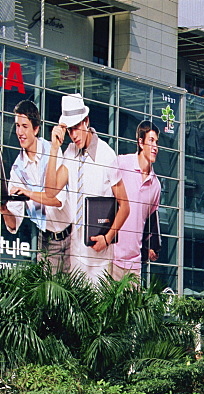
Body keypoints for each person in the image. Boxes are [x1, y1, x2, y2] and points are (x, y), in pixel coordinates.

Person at [44, 92, 130, 282]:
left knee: (98, 310)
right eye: (69, 130)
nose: (73, 135)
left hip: (100, 255)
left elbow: (125, 206)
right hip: (76, 253)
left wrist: (107, 239)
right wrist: (53, 149)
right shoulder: (69, 152)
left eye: (76, 128)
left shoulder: (107, 156)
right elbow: (51, 192)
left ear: (86, 121)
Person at [0, 98, 70, 270]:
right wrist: (4, 210)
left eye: (24, 126)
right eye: (17, 125)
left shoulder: (53, 151)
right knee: (47, 296)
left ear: (36, 128)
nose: (20, 132)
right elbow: (13, 223)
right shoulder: (17, 169)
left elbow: (57, 199)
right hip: (45, 240)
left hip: (71, 236)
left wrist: (28, 193)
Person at [112, 120, 161, 280]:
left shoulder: (156, 185)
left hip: (134, 264)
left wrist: (147, 247)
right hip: (110, 257)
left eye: (157, 142)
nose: (155, 147)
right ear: (140, 142)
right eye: (151, 141)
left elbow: (148, 222)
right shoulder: (121, 163)